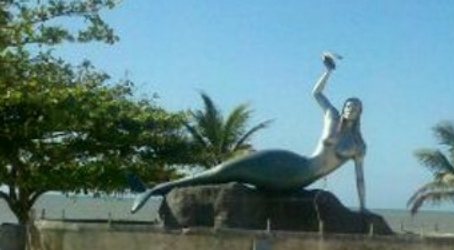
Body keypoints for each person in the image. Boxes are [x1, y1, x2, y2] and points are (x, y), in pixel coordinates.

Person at [131, 52, 367, 213]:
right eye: (348, 105)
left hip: (299, 179)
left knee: (226, 173)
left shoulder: (358, 144)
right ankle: (154, 190)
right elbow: (316, 94)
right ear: (344, 106)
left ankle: (153, 190)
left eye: (355, 108)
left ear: (359, 113)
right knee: (223, 171)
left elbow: (359, 177)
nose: (350, 109)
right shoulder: (332, 116)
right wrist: (328, 72)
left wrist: (363, 207)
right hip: (291, 163)